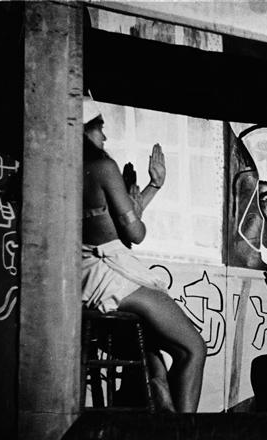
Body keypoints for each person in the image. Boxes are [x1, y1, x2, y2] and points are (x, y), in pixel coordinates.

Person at [81, 96, 207, 413]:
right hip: (110, 279)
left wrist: (152, 186)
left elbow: (110, 229)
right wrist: (138, 205)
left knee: (153, 358)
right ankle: (181, 434)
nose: (104, 136)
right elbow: (134, 233)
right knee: (193, 348)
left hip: (86, 279)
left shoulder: (67, 169)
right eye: (99, 128)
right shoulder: (102, 166)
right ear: (84, 130)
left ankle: (162, 415)